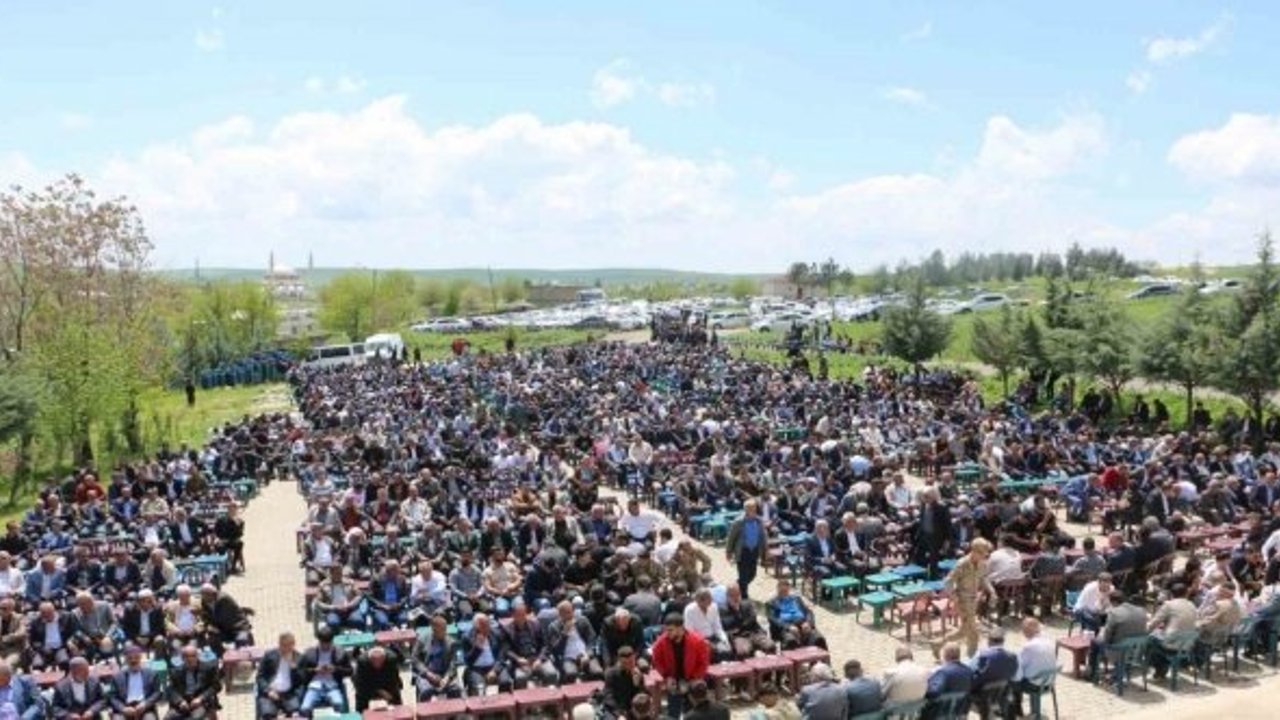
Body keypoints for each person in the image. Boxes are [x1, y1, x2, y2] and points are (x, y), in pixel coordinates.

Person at [935, 538, 994, 658]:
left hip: (973, 600)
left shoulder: (982, 563)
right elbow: (948, 582)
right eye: (982, 554)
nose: (984, 556)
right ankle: (972, 659)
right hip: (962, 600)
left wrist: (992, 592)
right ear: (974, 551)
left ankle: (937, 644)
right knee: (973, 633)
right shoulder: (962, 564)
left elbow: (983, 578)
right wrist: (954, 597)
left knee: (963, 631)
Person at [651, 614, 711, 720]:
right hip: (673, 680)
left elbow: (703, 663)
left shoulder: (697, 641)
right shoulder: (662, 641)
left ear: (680, 628)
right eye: (666, 630)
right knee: (673, 713)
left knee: (692, 713)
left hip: (692, 680)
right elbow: (657, 660)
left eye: (670, 630)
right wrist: (666, 676)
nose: (667, 633)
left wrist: (693, 680)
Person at [299, 626, 353, 714]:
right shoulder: (309, 653)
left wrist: (335, 669)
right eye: (323, 644)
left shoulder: (341, 653)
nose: (325, 646)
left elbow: (350, 671)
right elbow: (301, 672)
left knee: (339, 703)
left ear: (332, 641)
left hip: (332, 686)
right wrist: (315, 670)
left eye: (328, 644)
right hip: (314, 686)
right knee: (305, 708)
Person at [1011, 619, 1056, 716]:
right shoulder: (1049, 641)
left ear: (1026, 631)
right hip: (1050, 682)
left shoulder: (1028, 647)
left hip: (1035, 685)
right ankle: (1031, 711)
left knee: (1012, 681)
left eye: (1023, 629)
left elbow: (1018, 674)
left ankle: (1016, 711)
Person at [971, 629, 1018, 719]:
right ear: (1003, 641)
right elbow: (1014, 676)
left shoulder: (983, 655)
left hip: (981, 693)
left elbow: (971, 670)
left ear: (989, 641)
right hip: (1002, 692)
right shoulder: (1013, 656)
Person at [165, 644, 221, 720]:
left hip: (200, 702)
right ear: (182, 658)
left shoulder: (208, 668)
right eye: (186, 656)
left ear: (197, 656)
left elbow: (216, 686)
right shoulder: (176, 671)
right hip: (183, 702)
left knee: (194, 718)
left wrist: (201, 698)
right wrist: (179, 701)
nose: (190, 659)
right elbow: (169, 689)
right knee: (168, 718)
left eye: (193, 656)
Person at [765, 580, 825, 649]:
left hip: (802, 623)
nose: (784, 593)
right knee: (791, 641)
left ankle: (823, 658)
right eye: (781, 591)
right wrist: (788, 627)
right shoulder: (771, 603)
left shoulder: (796, 599)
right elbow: (773, 619)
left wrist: (808, 623)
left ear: (789, 590)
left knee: (818, 638)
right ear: (777, 590)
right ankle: (794, 658)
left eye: (785, 591)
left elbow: (809, 612)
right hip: (785, 627)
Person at [256, 632, 304, 720]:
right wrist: (268, 691)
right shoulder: (270, 655)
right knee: (267, 714)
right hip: (271, 694)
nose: (284, 648)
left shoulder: (299, 658)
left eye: (287, 645)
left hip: (289, 694)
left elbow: (301, 680)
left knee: (296, 713)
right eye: (282, 645)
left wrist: (293, 668)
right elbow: (260, 677)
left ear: (293, 645)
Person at [412, 615, 461, 701]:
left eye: (445, 629)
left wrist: (447, 677)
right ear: (433, 630)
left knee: (456, 690)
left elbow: (453, 663)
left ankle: (452, 714)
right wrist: (427, 674)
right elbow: (415, 659)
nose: (445, 632)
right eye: (442, 630)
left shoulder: (451, 642)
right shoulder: (422, 639)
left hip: (444, 673)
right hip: (427, 674)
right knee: (426, 692)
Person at [726, 499, 767, 599]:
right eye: (750, 509)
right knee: (743, 575)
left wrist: (765, 550)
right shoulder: (738, 522)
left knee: (752, 574)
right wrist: (728, 552)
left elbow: (763, 536)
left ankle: (736, 586)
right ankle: (744, 597)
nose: (753, 511)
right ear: (746, 510)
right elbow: (731, 538)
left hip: (754, 551)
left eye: (754, 509)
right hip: (743, 551)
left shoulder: (759, 521)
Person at [110, 646, 163, 720]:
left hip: (145, 708)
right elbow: (112, 697)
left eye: (136, 657)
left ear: (140, 658)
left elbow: (157, 692)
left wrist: (145, 704)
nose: (133, 660)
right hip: (124, 708)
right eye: (130, 658)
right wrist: (123, 708)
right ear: (125, 659)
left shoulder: (151, 674)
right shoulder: (117, 677)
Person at [924, 643, 972, 719]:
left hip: (941, 712)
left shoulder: (943, 672)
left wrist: (927, 685)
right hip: (959, 711)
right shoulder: (968, 670)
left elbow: (933, 692)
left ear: (946, 655)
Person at [683, 589, 731, 660]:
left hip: (713, 638)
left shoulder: (713, 607)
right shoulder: (689, 610)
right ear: (698, 601)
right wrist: (703, 642)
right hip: (697, 641)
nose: (710, 603)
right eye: (707, 601)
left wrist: (724, 640)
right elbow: (690, 632)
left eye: (710, 600)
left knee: (727, 650)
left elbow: (717, 627)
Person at [354, 647, 403, 711]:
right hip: (368, 687)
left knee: (396, 703)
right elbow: (361, 685)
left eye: (380, 661)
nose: (378, 664)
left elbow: (394, 679)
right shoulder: (362, 661)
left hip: (387, 685)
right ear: (370, 658)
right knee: (362, 703)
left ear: (384, 658)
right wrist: (379, 692)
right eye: (374, 661)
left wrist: (389, 695)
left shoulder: (391, 659)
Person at [603, 646, 646, 718]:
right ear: (619, 661)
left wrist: (637, 685)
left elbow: (641, 698)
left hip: (631, 709)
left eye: (632, 662)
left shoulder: (637, 674)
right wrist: (619, 715)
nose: (630, 665)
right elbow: (609, 697)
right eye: (626, 663)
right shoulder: (611, 674)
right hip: (615, 708)